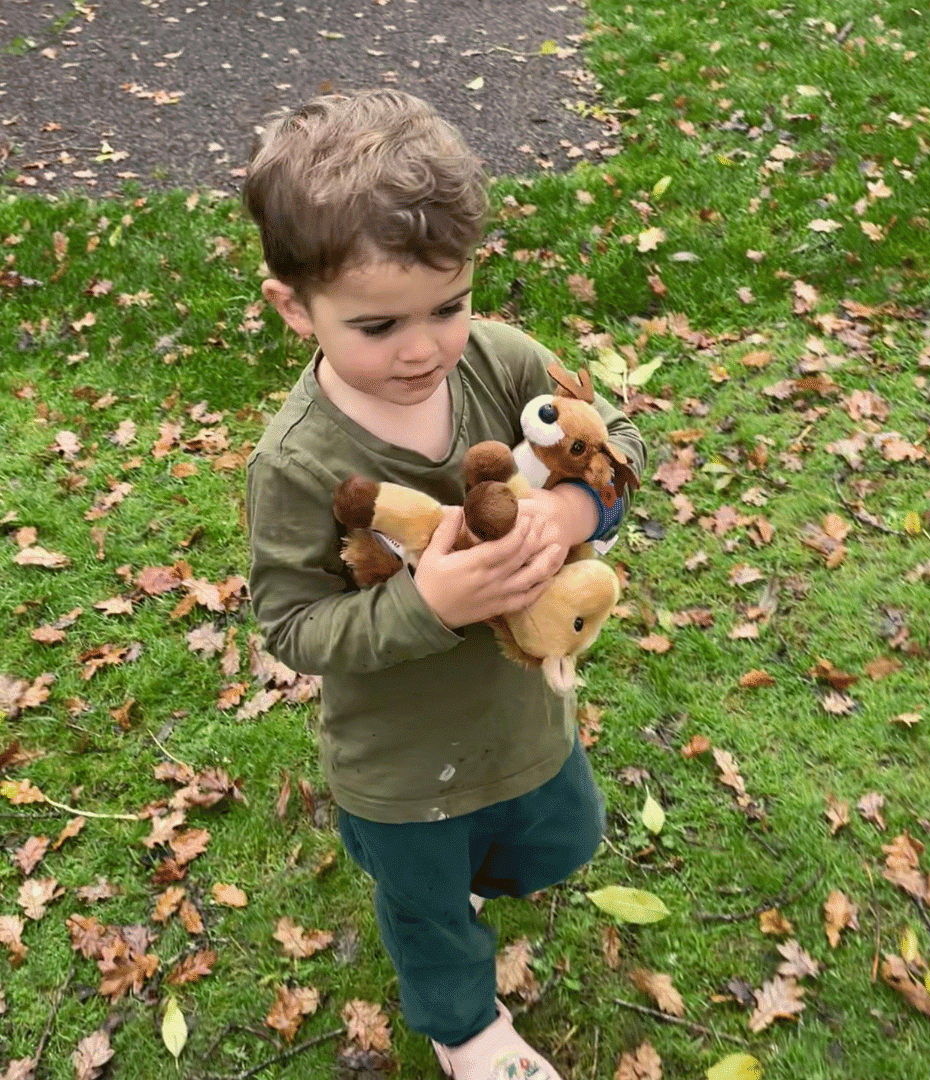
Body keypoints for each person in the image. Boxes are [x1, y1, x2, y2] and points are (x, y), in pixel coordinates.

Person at [242, 89, 646, 1079]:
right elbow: (293, 625)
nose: (423, 347)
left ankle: (466, 875)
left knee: (561, 837)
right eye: (378, 324)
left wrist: (574, 512)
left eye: (449, 306)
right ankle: (466, 1028)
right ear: (295, 306)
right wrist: (426, 608)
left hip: (520, 715)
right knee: (426, 903)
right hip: (399, 757)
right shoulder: (298, 464)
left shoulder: (504, 363)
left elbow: (619, 440)